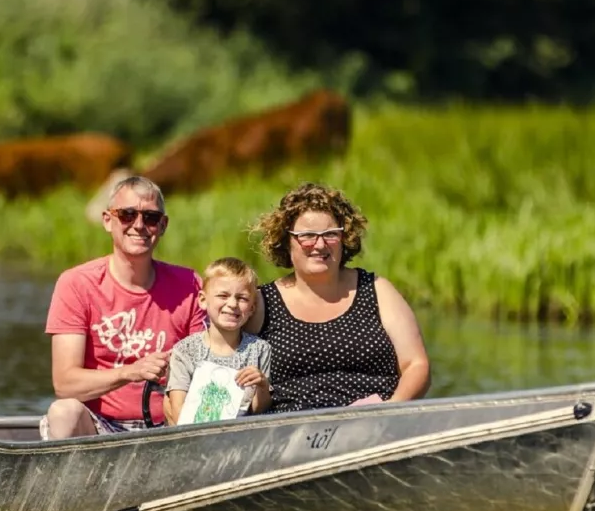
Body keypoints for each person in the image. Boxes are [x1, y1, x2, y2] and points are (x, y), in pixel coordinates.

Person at [41, 175, 205, 438]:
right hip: (97, 425)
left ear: (163, 225)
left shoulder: (191, 284)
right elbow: (65, 383)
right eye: (127, 215)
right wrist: (132, 372)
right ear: (108, 220)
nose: (139, 225)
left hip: (169, 425)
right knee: (64, 412)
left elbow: (206, 364)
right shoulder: (76, 283)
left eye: (150, 218)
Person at [245, 183, 430, 413]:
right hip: (291, 432)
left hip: (377, 424)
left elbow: (416, 364)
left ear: (344, 238)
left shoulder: (376, 289)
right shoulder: (262, 303)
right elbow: (221, 356)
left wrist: (391, 409)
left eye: (330, 234)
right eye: (307, 236)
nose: (320, 244)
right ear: (286, 240)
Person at [164, 257, 273, 425]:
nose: (232, 304)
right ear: (202, 300)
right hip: (194, 437)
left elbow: (258, 410)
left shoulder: (259, 349)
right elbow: (178, 410)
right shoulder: (185, 351)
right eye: (223, 295)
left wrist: (262, 385)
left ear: (252, 307)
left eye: (242, 298)